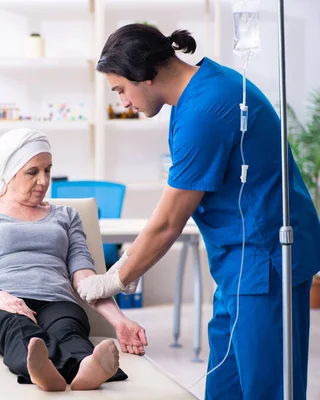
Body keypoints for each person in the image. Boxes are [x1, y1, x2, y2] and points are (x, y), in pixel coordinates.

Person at [76, 23, 320, 400]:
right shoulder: (198, 93)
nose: (122, 102)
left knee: (267, 389)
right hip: (238, 266)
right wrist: (132, 266)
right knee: (225, 387)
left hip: (263, 262)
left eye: (121, 89)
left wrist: (116, 278)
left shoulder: (206, 109)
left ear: (145, 75)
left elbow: (169, 222)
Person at [0, 128, 148, 392]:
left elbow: (87, 280)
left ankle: (85, 368)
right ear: (9, 172)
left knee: (68, 330)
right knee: (19, 330)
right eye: (33, 172)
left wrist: (120, 320)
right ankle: (51, 369)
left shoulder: (67, 216)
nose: (44, 181)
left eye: (48, 170)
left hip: (57, 302)